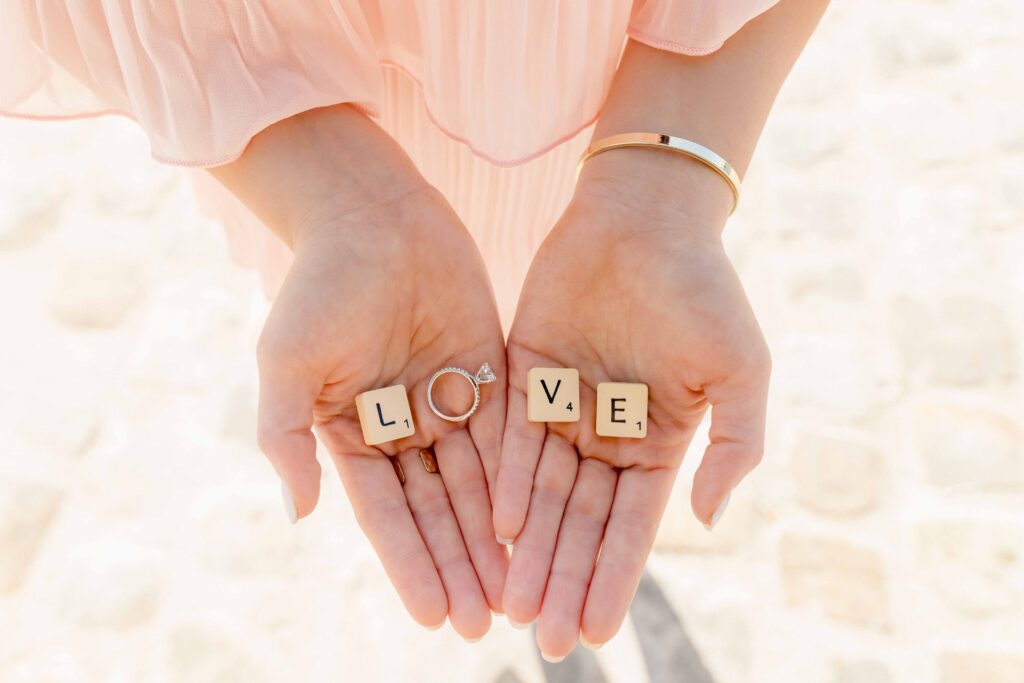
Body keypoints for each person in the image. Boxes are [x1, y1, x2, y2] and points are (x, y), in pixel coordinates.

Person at [1, 0, 827, 662]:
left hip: (610, 81)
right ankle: (539, 546)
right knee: (440, 353)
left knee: (580, 351)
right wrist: (331, 193)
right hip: (321, 116)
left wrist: (664, 187)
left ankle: (550, 544)